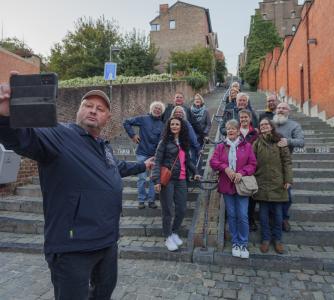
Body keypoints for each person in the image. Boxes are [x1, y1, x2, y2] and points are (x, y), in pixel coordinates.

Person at [0, 80, 154, 299]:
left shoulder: (104, 146)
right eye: (88, 105)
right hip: (72, 246)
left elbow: (117, 168)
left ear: (108, 118)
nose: (93, 110)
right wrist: (5, 118)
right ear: (78, 110)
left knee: (104, 292)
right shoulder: (58, 134)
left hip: (107, 241)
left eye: (100, 109)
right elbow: (23, 138)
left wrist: (143, 165)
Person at [210, 119, 257, 259]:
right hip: (226, 185)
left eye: (233, 129)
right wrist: (225, 169)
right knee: (231, 215)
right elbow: (213, 161)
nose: (230, 131)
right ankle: (235, 242)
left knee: (242, 215)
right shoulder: (221, 146)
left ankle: (243, 242)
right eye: (228, 129)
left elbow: (253, 164)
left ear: (238, 131)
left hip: (241, 185)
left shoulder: (247, 146)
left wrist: (241, 173)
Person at [152, 117, 201, 251]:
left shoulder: (184, 143)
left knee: (181, 209)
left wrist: (195, 172)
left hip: (181, 179)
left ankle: (174, 232)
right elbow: (157, 161)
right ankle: (168, 237)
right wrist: (156, 180)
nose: (174, 126)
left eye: (177, 124)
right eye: (172, 124)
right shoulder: (164, 142)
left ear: (181, 126)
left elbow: (189, 161)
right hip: (168, 179)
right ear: (169, 126)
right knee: (167, 210)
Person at [253, 118, 292, 254]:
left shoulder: (280, 141)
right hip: (262, 182)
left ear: (271, 126)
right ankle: (265, 239)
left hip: (278, 182)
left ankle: (278, 240)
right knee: (263, 215)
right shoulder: (257, 142)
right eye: (261, 125)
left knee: (278, 214)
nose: (264, 126)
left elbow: (287, 161)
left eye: (266, 124)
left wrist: (288, 179)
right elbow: (251, 160)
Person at [123, 101, 165, 209]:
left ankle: (151, 200)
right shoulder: (143, 119)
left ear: (162, 112)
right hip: (142, 153)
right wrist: (133, 135)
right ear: (151, 109)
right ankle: (141, 200)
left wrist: (158, 154)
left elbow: (161, 141)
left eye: (159, 109)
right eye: (155, 108)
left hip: (154, 155)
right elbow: (126, 122)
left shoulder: (162, 125)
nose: (157, 110)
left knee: (153, 178)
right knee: (141, 178)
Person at [273, 102, 304, 232]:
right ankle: (273, 218)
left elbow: (301, 142)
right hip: (267, 164)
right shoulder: (270, 123)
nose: (280, 110)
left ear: (289, 111)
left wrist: (288, 141)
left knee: (287, 196)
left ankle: (284, 218)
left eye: (283, 108)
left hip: (284, 164)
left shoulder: (294, 125)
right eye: (279, 108)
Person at [238, 109, 259, 232]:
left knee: (251, 195)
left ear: (250, 119)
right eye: (242, 118)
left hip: (251, 168)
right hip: (237, 168)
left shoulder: (255, 133)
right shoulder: (235, 132)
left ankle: (250, 220)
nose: (244, 119)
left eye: (246, 117)